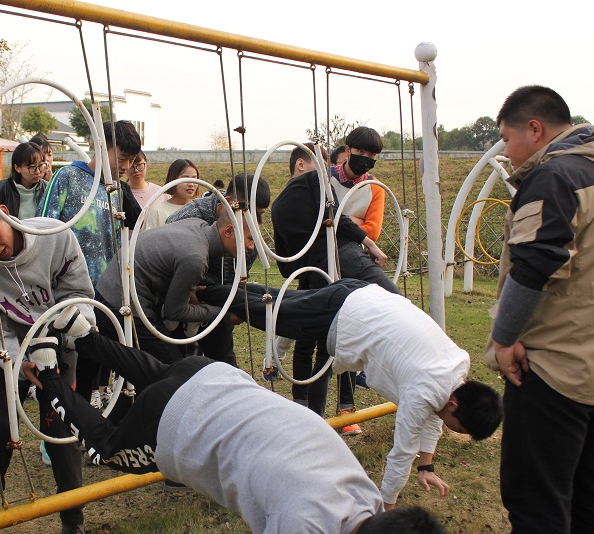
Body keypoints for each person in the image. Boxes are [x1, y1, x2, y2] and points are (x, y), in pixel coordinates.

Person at [23, 308, 449, 534]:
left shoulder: (366, 501)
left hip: (211, 377)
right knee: (108, 448)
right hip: (179, 420)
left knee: (158, 375)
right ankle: (46, 375)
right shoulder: (302, 528)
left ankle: (83, 335)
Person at [197, 279, 503, 510]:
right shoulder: (426, 391)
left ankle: (212, 286)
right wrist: (386, 508)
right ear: (455, 403)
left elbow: (436, 416)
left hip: (359, 295)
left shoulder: (455, 366)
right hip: (344, 316)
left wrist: (426, 466)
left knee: (279, 302)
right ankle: (202, 291)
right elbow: (402, 452)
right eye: (457, 426)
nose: (452, 428)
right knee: (270, 315)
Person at [488, 85, 594, 534]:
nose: (507, 151)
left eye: (507, 138)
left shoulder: (555, 177)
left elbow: (535, 266)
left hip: (554, 368)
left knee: (537, 500)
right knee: (592, 491)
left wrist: (503, 338)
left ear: (534, 129)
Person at [0, 192, 93, 534]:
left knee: (59, 429)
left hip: (60, 345)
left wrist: (60, 340)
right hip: (10, 353)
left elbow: (79, 295)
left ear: (4, 214)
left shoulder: (54, 236)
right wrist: (17, 361)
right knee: (1, 427)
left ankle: (73, 521)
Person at [272, 142, 395, 432]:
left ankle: (331, 408)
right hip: (323, 264)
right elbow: (334, 220)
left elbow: (348, 223)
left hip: (325, 263)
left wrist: (341, 226)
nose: (328, 172)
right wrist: (360, 236)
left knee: (330, 336)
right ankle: (309, 408)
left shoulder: (366, 187)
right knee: (322, 337)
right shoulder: (316, 182)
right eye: (323, 164)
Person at [96, 205, 254, 364]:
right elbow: (175, 312)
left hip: (107, 290)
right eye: (250, 239)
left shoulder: (196, 225)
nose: (252, 247)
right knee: (174, 368)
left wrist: (186, 289)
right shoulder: (196, 258)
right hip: (121, 305)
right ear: (228, 231)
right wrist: (223, 314)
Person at [165, 173, 271, 365]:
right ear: (229, 202)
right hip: (183, 299)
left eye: (260, 214)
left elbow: (245, 264)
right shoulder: (188, 217)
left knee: (224, 361)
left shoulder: (250, 227)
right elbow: (169, 255)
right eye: (250, 212)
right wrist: (186, 289)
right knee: (177, 363)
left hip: (220, 299)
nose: (255, 220)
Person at [37, 120, 141, 285]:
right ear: (101, 149)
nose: (126, 166)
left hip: (104, 287)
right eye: (122, 159)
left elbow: (117, 244)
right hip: (66, 285)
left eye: (132, 160)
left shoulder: (117, 192)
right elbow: (43, 228)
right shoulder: (68, 176)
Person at [330, 126, 386, 243]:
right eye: (360, 152)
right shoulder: (325, 177)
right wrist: (353, 221)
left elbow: (372, 233)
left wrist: (336, 223)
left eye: (371, 154)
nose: (365, 158)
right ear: (347, 150)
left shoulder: (375, 188)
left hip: (354, 248)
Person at [0, 141, 49, 219]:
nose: (37, 171)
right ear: (17, 168)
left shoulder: (47, 189)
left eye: (40, 165)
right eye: (32, 167)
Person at [142, 158, 198, 230]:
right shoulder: (158, 211)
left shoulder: (200, 208)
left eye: (194, 179)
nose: (191, 184)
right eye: (185, 179)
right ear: (173, 180)